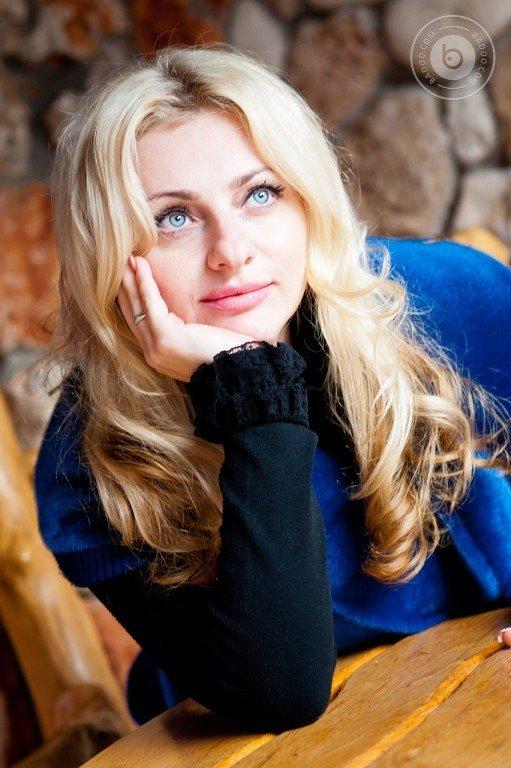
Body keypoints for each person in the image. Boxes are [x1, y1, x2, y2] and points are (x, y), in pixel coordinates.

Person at [32, 44, 511, 733]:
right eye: (173, 217)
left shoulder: (438, 295)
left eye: (259, 194)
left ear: (307, 202)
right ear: (110, 251)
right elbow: (278, 690)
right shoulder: (92, 458)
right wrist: (250, 389)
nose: (231, 251)